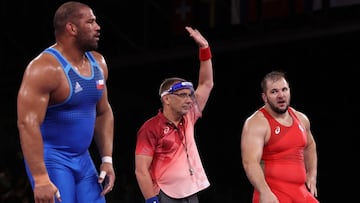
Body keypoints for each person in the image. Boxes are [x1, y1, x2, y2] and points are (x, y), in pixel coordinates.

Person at [17, 2, 115, 203]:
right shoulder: (44, 68)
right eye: (90, 22)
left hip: (83, 159)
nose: (98, 26)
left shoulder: (99, 63)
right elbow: (27, 123)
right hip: (52, 159)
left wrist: (107, 159)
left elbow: (103, 112)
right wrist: (41, 178)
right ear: (72, 28)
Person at [134, 26, 214, 203]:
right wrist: (151, 200)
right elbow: (141, 169)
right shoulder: (150, 128)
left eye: (190, 95)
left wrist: (204, 48)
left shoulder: (189, 116)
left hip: (190, 193)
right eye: (183, 95)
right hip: (165, 195)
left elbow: (207, 83)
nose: (189, 100)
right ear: (167, 99)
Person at [240, 70, 319, 203]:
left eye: (284, 90)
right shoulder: (257, 123)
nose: (281, 95)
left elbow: (310, 146)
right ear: (265, 97)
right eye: (274, 92)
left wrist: (312, 173)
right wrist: (264, 192)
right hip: (274, 194)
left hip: (300, 192)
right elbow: (250, 162)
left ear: (289, 91)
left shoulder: (301, 118)